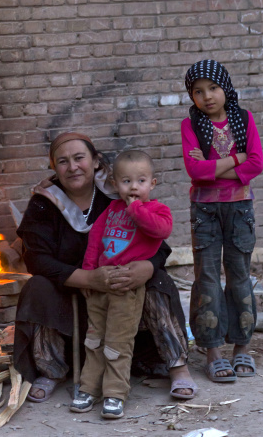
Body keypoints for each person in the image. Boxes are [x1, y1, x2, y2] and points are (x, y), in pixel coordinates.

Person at [13, 132, 198, 405]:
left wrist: (146, 267)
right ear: (54, 168)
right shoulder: (44, 203)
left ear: (96, 161)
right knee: (37, 286)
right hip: (73, 293)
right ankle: (50, 368)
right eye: (63, 162)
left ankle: (176, 364)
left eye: (79, 158)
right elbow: (37, 259)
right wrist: (88, 278)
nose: (73, 167)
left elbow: (159, 243)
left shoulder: (119, 193)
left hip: (123, 290)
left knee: (157, 280)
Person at [72, 149, 173, 419]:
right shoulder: (110, 210)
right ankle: (88, 388)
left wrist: (136, 208)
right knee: (94, 340)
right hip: (101, 286)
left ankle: (115, 393)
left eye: (141, 181)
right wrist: (88, 271)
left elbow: (161, 231)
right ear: (115, 185)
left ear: (152, 184)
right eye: (126, 181)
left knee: (118, 343)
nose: (134, 187)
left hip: (127, 289)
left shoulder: (156, 210)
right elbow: (95, 240)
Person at [181, 59, 263, 382]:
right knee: (208, 278)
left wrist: (215, 167)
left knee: (240, 275)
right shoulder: (190, 126)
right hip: (204, 211)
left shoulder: (244, 119)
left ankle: (242, 349)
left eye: (213, 88)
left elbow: (256, 163)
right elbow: (195, 173)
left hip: (240, 209)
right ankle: (213, 351)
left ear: (225, 88)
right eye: (198, 91)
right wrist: (235, 160)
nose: (207, 97)